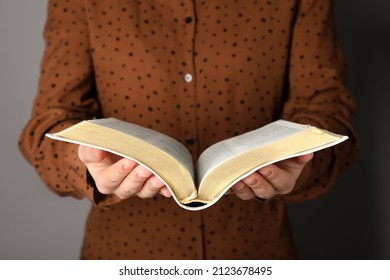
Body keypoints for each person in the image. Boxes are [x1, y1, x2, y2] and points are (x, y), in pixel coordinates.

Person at [19, 0, 358, 259]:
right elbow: (45, 126)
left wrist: (301, 164)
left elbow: (327, 111)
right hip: (124, 254)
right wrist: (85, 164)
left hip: (256, 251)